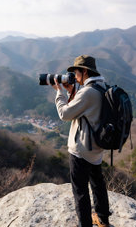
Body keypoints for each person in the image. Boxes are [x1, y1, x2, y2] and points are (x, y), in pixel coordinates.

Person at [52, 55, 111, 227]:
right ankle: (102, 219)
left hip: (81, 148)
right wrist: (72, 92)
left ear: (84, 71)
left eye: (76, 72)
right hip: (96, 146)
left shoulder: (87, 92)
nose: (74, 76)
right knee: (97, 183)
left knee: (80, 190)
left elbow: (64, 114)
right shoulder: (101, 87)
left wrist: (59, 92)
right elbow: (87, 110)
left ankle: (84, 224)